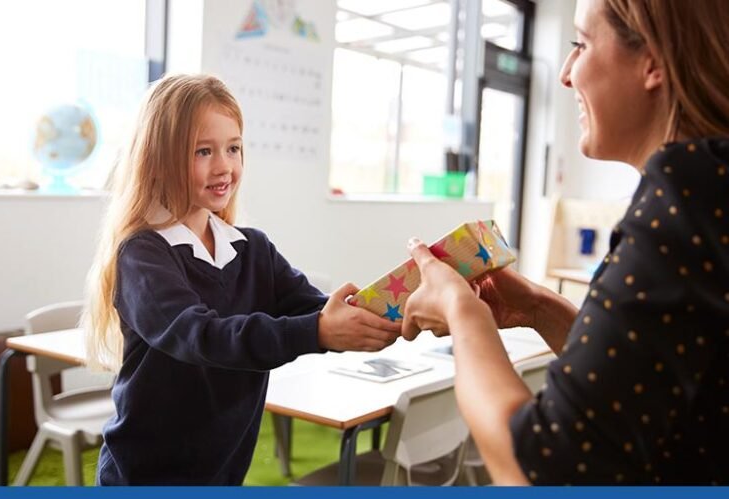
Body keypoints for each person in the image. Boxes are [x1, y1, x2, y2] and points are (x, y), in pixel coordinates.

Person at [401, 0, 729, 485]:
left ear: (654, 61)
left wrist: (460, 310)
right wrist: (539, 309)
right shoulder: (711, 187)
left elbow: (543, 467)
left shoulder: (684, 198)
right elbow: (641, 379)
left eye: (581, 44)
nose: (567, 74)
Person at [82, 74, 401, 485]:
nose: (225, 167)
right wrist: (319, 332)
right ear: (158, 159)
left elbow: (316, 308)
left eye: (233, 148)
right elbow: (201, 335)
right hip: (144, 474)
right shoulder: (143, 254)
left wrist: (393, 307)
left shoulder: (252, 249)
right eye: (203, 151)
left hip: (224, 470)